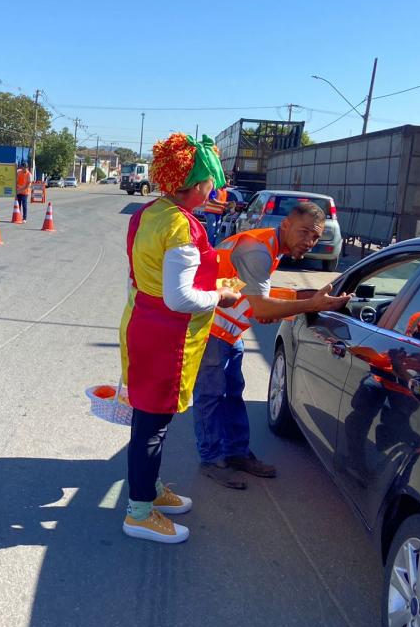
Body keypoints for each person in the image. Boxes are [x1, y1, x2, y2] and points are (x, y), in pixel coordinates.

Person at [120, 133, 240, 544]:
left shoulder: (150, 212)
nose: (214, 189)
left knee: (148, 420)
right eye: (210, 181)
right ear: (194, 182)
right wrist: (221, 294)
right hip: (166, 340)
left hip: (144, 327)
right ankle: (138, 512)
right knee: (151, 426)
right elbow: (180, 296)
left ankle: (148, 490)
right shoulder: (179, 226)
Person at [192, 202, 351, 484]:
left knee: (231, 394)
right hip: (212, 331)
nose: (309, 242)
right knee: (211, 397)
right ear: (286, 225)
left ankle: (236, 453)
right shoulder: (258, 251)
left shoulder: (269, 247)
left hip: (229, 331)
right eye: (304, 232)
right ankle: (212, 459)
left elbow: (254, 295)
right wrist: (308, 304)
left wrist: (297, 298)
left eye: (315, 237)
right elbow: (262, 307)